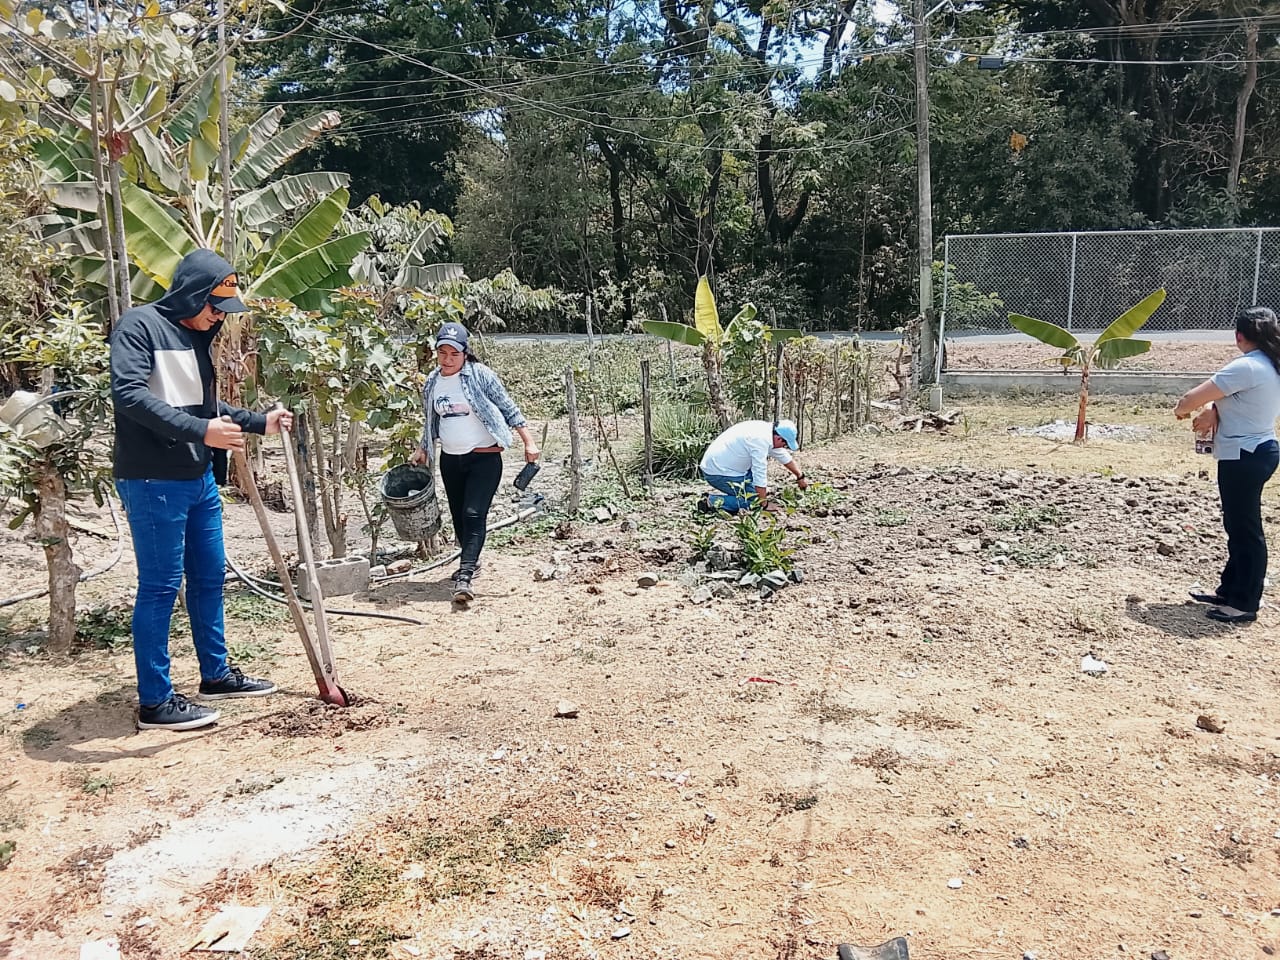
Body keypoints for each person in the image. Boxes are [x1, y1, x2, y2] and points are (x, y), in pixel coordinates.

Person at [110, 249, 291, 730]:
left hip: (197, 479)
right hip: (152, 480)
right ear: (192, 293)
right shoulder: (139, 327)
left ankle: (216, 674)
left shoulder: (197, 339)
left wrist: (258, 422)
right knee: (160, 587)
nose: (218, 317)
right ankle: (155, 702)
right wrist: (202, 432)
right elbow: (128, 395)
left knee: (209, 578)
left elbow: (204, 407)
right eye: (214, 306)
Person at [409, 322, 539, 602]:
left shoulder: (480, 375)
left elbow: (508, 407)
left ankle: (465, 576)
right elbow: (431, 419)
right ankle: (472, 560)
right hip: (450, 459)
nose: (447, 359)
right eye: (442, 353)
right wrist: (423, 447)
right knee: (459, 517)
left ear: (465, 353)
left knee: (473, 514)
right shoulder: (432, 382)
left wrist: (528, 441)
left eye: (454, 354)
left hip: (484, 457)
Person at [1173, 306, 1280, 624]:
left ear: (1239, 336)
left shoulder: (1246, 366)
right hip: (1257, 450)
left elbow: (1190, 399)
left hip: (1244, 455)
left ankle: (1245, 602)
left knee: (1245, 530)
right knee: (1238, 526)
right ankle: (1231, 590)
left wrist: (1183, 410)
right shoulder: (1269, 364)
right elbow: (1237, 399)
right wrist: (1214, 409)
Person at [697, 419, 808, 514]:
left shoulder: (765, 431)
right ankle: (711, 501)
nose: (784, 447)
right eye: (785, 444)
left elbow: (782, 455)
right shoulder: (759, 441)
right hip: (718, 472)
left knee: (758, 493)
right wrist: (764, 504)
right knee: (754, 502)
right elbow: (759, 472)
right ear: (779, 438)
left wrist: (800, 476)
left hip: (724, 466)